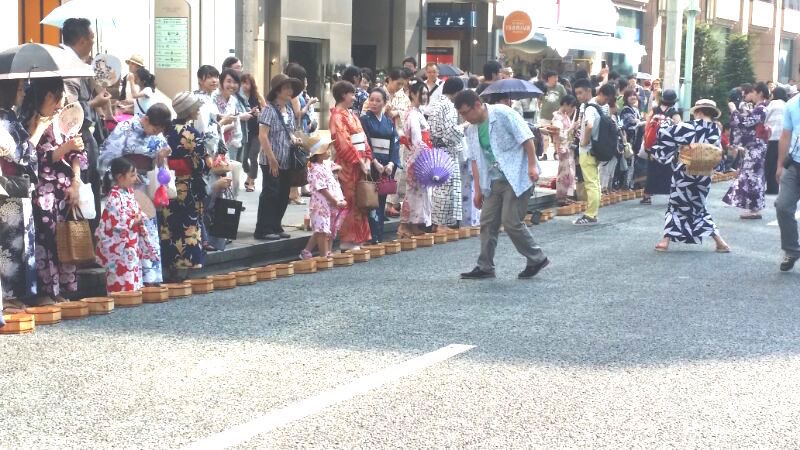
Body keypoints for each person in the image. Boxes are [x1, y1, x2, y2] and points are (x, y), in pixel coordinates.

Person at [454, 89, 549, 280]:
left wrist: (532, 165)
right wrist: (478, 190)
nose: (465, 117)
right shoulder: (472, 129)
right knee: (487, 221)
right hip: (494, 179)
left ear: (478, 105)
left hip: (517, 174)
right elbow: (474, 160)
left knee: (511, 221)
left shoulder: (502, 113)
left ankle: (536, 258)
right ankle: (485, 266)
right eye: (461, 114)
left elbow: (527, 138)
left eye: (466, 112)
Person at [21, 77, 87, 304]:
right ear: (49, 95)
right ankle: (48, 290)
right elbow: (35, 156)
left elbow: (77, 152)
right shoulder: (30, 119)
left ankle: (65, 287)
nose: (61, 103)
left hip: (66, 185)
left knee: (65, 234)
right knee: (47, 238)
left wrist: (76, 181)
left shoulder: (64, 119)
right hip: (43, 187)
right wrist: (65, 148)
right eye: (59, 95)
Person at [98, 104, 172, 286]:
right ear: (145, 119)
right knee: (128, 229)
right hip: (124, 187)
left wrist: (161, 159)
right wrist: (123, 175)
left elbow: (162, 169)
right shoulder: (125, 128)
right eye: (154, 129)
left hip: (145, 186)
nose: (155, 133)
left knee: (147, 228)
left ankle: (150, 276)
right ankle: (128, 276)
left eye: (159, 131)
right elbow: (108, 158)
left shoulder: (158, 137)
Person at [648, 99, 730, 252]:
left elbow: (665, 134)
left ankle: (665, 241)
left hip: (685, 173)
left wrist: (663, 123)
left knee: (676, 205)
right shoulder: (715, 129)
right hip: (704, 173)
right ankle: (720, 242)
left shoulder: (688, 126)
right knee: (699, 207)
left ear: (698, 111)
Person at [62, 18, 106, 232]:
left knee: (89, 191)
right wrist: (93, 103)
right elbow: (68, 111)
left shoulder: (79, 66)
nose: (92, 44)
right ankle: (82, 246)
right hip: (74, 140)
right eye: (91, 38)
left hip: (84, 138)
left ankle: (86, 244)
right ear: (81, 40)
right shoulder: (68, 67)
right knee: (84, 192)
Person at [159, 92, 208, 278]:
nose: (198, 110)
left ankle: (170, 264)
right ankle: (188, 266)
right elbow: (200, 163)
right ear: (189, 111)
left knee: (169, 224)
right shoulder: (192, 133)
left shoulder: (167, 131)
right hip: (187, 185)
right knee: (189, 224)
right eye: (196, 107)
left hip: (168, 184)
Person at [95, 157, 159, 292]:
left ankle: (132, 297)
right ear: (120, 177)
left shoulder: (128, 193)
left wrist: (139, 217)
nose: (135, 178)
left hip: (131, 241)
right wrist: (135, 220)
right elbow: (115, 222)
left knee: (132, 271)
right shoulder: (114, 197)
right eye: (132, 175)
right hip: (120, 245)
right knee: (123, 274)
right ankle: (123, 298)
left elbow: (135, 212)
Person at [0, 79, 37, 310]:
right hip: (8, 184)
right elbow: (23, 153)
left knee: (9, 241)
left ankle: (8, 296)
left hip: (7, 183)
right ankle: (7, 296)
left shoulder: (10, 117)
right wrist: (37, 130)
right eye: (20, 88)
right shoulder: (7, 119)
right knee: (9, 242)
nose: (23, 93)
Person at [254, 74, 304, 240]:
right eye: (286, 87)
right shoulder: (269, 109)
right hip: (270, 160)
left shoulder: (288, 109)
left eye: (291, 88)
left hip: (286, 159)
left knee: (283, 194)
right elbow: (263, 136)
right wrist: (272, 159)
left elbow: (287, 130)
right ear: (277, 90)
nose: (290, 91)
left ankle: (276, 225)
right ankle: (263, 228)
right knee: (270, 193)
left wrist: (293, 138)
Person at [329, 81, 373, 249]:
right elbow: (342, 142)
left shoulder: (352, 115)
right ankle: (347, 240)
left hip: (360, 162)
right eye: (352, 94)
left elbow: (363, 138)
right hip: (347, 165)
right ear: (343, 95)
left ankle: (359, 238)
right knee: (348, 199)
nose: (354, 98)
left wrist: (367, 157)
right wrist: (359, 160)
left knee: (359, 200)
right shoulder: (337, 116)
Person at [723, 82, 770, 219]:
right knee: (753, 175)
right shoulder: (760, 107)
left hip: (756, 146)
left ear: (760, 93)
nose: (752, 95)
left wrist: (734, 110)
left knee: (752, 176)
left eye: (754, 92)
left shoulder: (761, 108)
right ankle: (754, 208)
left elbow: (744, 123)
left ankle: (754, 209)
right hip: (756, 145)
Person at [573, 80, 616, 225]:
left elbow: (589, 125)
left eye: (580, 93)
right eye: (576, 93)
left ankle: (590, 215)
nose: (578, 96)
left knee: (591, 183)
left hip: (587, 150)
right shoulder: (600, 108)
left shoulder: (590, 108)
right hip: (596, 150)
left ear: (588, 91)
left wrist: (584, 141)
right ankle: (593, 212)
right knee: (595, 182)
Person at [360, 88, 400, 243]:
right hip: (371, 164)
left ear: (385, 102)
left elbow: (394, 143)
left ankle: (378, 235)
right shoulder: (364, 120)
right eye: (371, 100)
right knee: (370, 199)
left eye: (378, 100)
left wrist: (391, 163)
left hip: (386, 165)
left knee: (381, 200)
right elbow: (366, 142)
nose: (374, 103)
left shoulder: (389, 122)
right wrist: (374, 161)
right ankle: (370, 235)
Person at [299, 134, 346, 259]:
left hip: (327, 203)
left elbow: (336, 168)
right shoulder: (316, 169)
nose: (329, 151)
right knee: (322, 230)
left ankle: (307, 251)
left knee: (322, 228)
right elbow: (323, 189)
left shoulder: (324, 165)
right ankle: (324, 255)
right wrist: (335, 201)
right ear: (318, 154)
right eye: (326, 149)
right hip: (321, 204)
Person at [428, 77, 465, 229]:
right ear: (457, 92)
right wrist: (464, 127)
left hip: (436, 150)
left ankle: (437, 223)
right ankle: (442, 224)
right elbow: (451, 132)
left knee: (438, 188)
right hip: (447, 151)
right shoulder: (449, 106)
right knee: (447, 189)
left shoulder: (436, 103)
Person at [397, 80, 432, 238]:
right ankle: (405, 225)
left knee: (417, 192)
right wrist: (424, 155)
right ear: (412, 94)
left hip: (417, 155)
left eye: (426, 93)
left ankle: (413, 224)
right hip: (417, 156)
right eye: (421, 93)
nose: (424, 96)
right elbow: (417, 140)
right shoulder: (412, 114)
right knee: (413, 192)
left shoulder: (416, 112)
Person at [641, 89, 681, 205]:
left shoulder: (653, 111)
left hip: (653, 146)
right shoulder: (674, 113)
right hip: (667, 148)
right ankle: (672, 196)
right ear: (673, 102)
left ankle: (647, 196)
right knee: (669, 170)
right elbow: (678, 128)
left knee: (652, 170)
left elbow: (647, 126)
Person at [775, 87, 800, 271]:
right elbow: (785, 135)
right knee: (783, 206)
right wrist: (779, 166)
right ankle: (791, 250)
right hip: (794, 165)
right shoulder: (792, 104)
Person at [240, 73, 265, 192]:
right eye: (243, 83)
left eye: (247, 83)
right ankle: (249, 174)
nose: (245, 86)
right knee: (244, 159)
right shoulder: (238, 98)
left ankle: (251, 180)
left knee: (253, 156)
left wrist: (259, 114)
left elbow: (265, 113)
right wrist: (250, 111)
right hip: (245, 132)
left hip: (257, 131)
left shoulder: (257, 97)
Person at [551, 95, 578, 205]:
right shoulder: (557, 118)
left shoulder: (565, 116)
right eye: (571, 106)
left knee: (569, 173)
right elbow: (559, 134)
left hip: (568, 146)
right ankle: (561, 197)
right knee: (564, 173)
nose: (572, 109)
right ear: (565, 104)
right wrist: (571, 128)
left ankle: (565, 196)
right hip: (562, 147)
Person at [538, 70, 567, 159]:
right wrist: (539, 109)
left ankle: (556, 153)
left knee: (556, 136)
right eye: (554, 77)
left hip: (557, 117)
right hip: (545, 116)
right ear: (549, 79)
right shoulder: (543, 87)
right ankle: (545, 154)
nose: (556, 79)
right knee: (545, 136)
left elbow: (565, 100)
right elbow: (539, 100)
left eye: (557, 77)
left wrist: (562, 113)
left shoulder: (560, 87)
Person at [765, 86, 788, 195]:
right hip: (784, 138)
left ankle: (770, 188)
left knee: (770, 163)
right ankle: (776, 187)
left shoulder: (773, 104)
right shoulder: (786, 105)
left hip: (773, 137)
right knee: (780, 163)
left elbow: (765, 117)